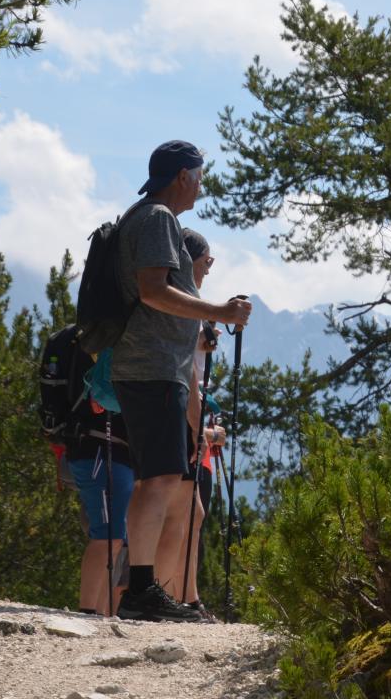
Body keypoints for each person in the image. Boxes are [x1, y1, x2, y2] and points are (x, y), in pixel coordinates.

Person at [113, 140, 251, 623]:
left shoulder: (147, 217)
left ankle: (143, 588)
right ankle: (141, 590)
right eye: (198, 174)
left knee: (161, 477)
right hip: (152, 366)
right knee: (160, 479)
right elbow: (153, 291)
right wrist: (218, 311)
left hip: (152, 367)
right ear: (182, 177)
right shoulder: (157, 219)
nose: (201, 184)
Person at [164, 228, 225, 619]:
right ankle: (174, 596)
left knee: (190, 513)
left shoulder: (186, 310)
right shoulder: (187, 309)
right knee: (182, 513)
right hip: (183, 422)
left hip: (183, 419)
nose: (209, 269)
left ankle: (185, 596)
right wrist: (198, 430)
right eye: (206, 262)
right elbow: (187, 375)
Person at [65, 399, 133, 616]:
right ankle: (88, 611)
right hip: (100, 449)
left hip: (111, 451)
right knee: (108, 536)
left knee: (116, 539)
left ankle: (101, 614)